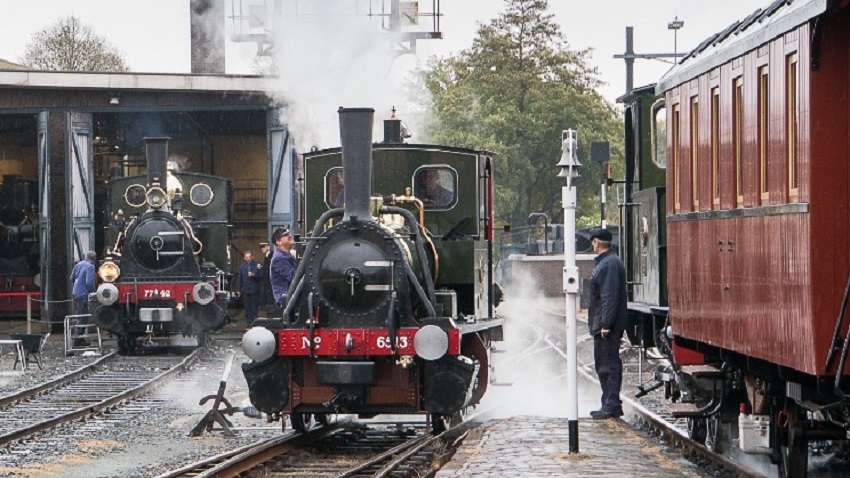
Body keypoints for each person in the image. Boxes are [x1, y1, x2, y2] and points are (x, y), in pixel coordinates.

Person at [587, 228, 628, 420]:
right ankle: (608, 402)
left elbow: (609, 296)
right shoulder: (608, 262)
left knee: (607, 364)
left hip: (606, 325)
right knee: (603, 363)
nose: (593, 246)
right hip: (603, 322)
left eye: (593, 243)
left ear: (597, 242)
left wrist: (606, 324)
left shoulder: (609, 264)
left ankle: (611, 404)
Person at [70, 250, 97, 344]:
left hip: (75, 292)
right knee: (83, 317)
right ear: (94, 259)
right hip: (83, 294)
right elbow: (89, 282)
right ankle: (78, 339)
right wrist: (94, 292)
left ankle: (77, 336)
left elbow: (71, 278)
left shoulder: (78, 264)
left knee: (78, 315)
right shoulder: (90, 267)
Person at [270, 227, 297, 307]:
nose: (289, 236)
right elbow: (293, 277)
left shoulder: (288, 256)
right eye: (286, 235)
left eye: (289, 233)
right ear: (278, 242)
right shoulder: (279, 258)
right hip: (286, 299)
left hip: (290, 297)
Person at [237, 251, 260, 328]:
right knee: (247, 309)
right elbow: (239, 278)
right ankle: (249, 324)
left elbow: (260, 276)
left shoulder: (256, 265)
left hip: (254, 290)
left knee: (254, 308)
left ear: (252, 257)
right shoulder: (242, 267)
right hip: (246, 290)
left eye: (249, 257)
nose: (248, 259)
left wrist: (254, 275)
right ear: (244, 258)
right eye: (246, 257)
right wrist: (238, 289)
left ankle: (254, 323)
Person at [258, 242, 274, 316]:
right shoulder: (267, 256)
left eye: (263, 247)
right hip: (268, 282)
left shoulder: (272, 256)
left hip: (271, 282)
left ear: (267, 247)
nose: (262, 249)